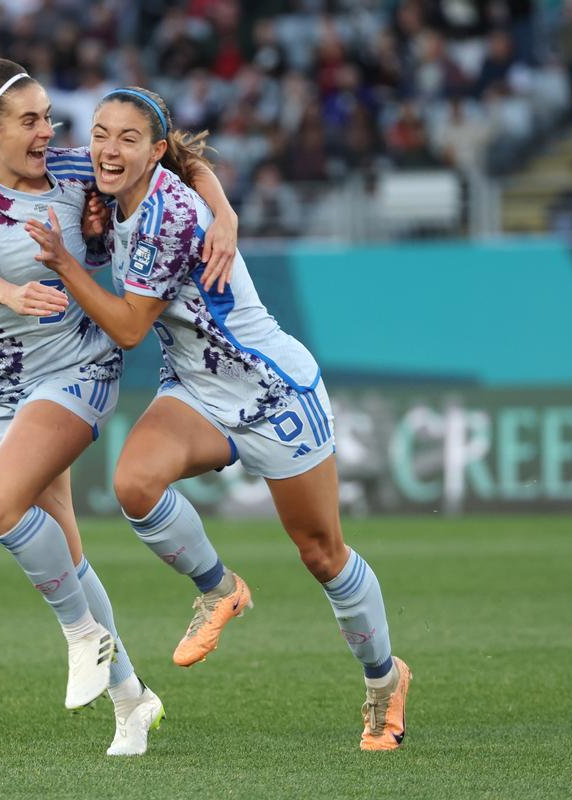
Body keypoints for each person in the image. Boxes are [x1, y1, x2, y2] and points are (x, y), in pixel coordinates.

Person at [25, 86, 411, 752]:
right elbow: (193, 163)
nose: (108, 149)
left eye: (127, 138)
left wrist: (63, 262)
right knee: (134, 485)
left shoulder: (165, 216)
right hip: (196, 388)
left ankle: (384, 681)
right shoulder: (117, 173)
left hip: (270, 392)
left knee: (321, 553)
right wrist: (223, 206)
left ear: (154, 152)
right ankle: (219, 588)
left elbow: (124, 327)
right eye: (99, 133)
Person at [0, 57, 239, 756]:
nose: (50, 132)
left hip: (76, 363)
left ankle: (80, 634)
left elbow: (182, 163)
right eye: (31, 120)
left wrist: (225, 215)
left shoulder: (76, 170)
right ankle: (132, 700)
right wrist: (9, 294)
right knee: (59, 546)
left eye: (48, 118)